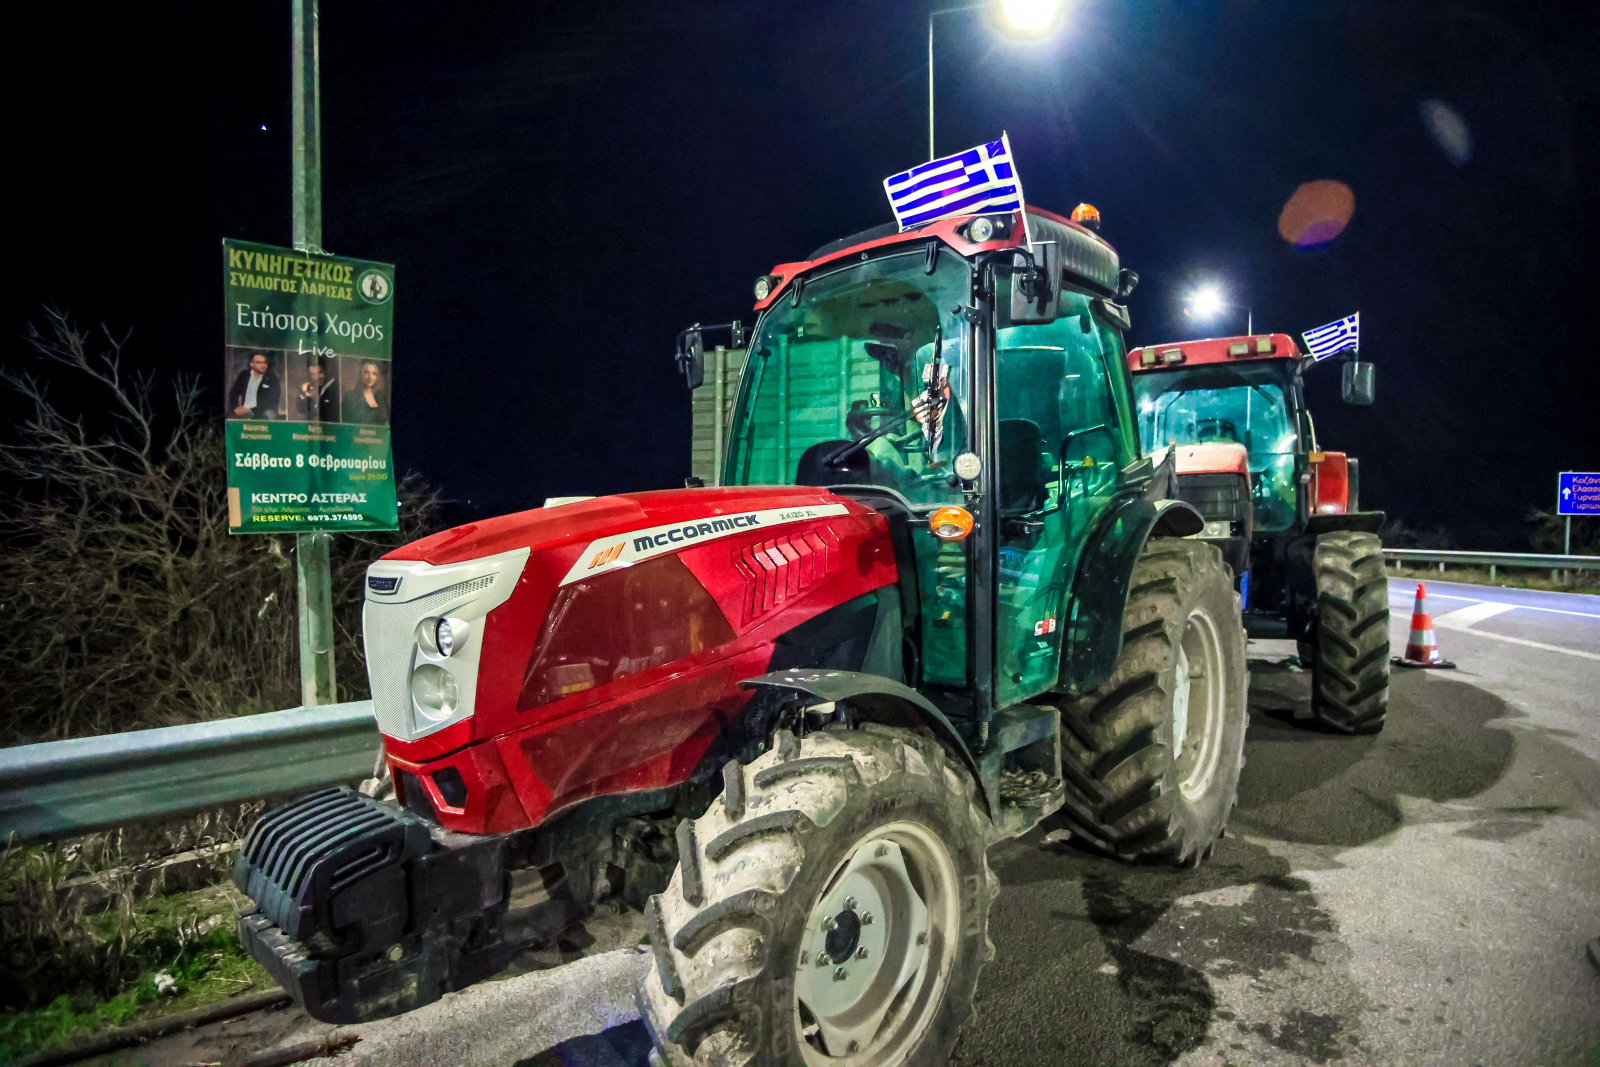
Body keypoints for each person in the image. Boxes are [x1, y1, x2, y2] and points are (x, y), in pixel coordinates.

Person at [228, 352, 281, 419]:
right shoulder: (244, 375)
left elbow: (273, 400)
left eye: (264, 362)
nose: (263, 365)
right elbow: (233, 394)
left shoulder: (272, 379)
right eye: (259, 362)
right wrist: (236, 408)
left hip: (264, 413)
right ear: (252, 364)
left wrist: (252, 411)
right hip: (244, 413)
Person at [341, 360, 389, 425]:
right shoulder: (349, 396)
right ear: (361, 374)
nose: (370, 377)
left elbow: (385, 420)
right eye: (366, 372)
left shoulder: (380, 396)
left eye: (374, 373)